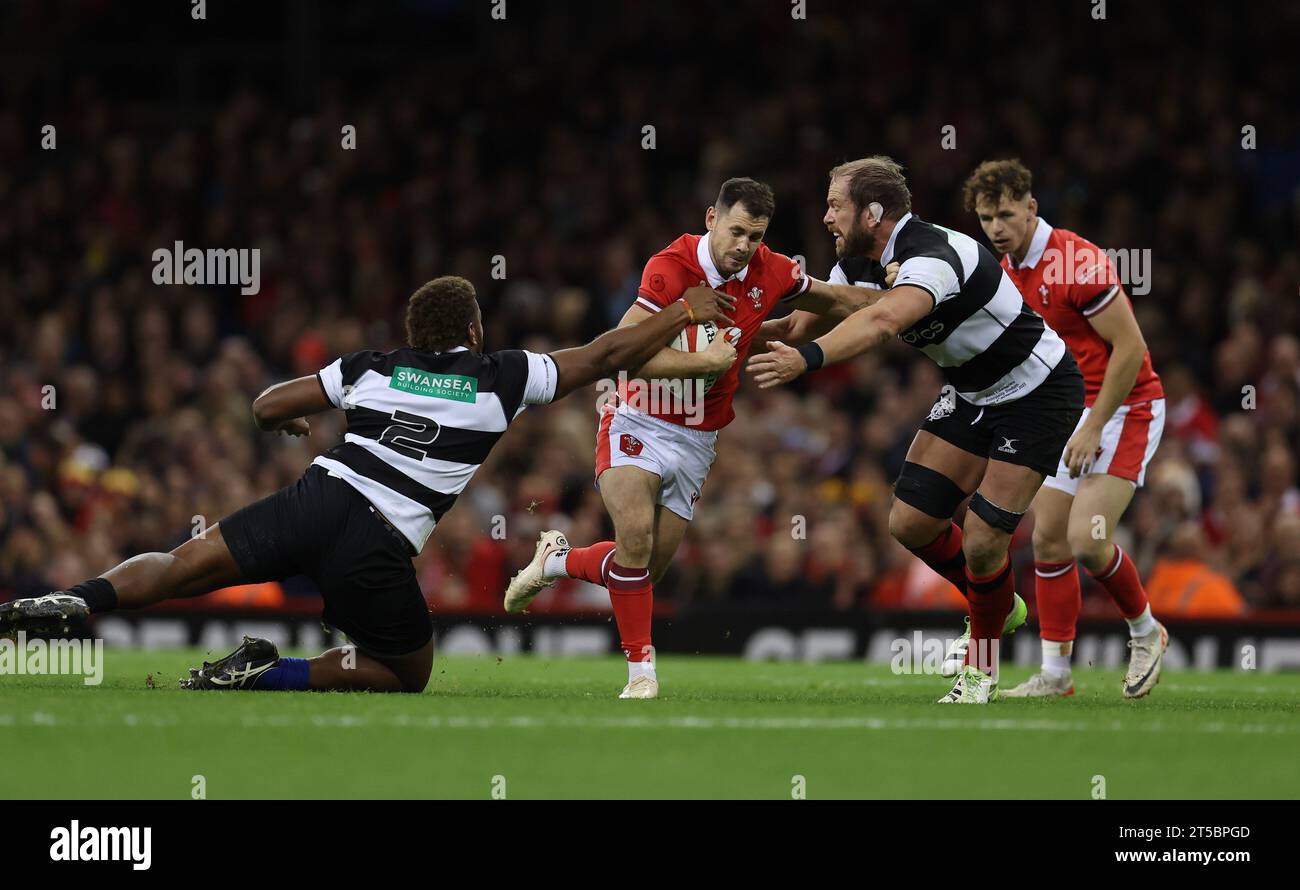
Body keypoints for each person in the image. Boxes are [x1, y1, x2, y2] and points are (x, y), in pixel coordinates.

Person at [0, 276, 734, 693]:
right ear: (472, 332)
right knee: (405, 669)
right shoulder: (502, 375)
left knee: (179, 568)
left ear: (416, 333)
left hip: (316, 499)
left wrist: (287, 426)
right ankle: (265, 673)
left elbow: (266, 405)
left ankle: (76, 599)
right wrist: (681, 312)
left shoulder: (369, 367)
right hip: (377, 541)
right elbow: (606, 352)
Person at [501, 177, 865, 699]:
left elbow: (832, 299)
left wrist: (904, 297)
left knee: (644, 570)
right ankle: (641, 674)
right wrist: (704, 363)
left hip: (697, 440)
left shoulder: (772, 270)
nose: (745, 246)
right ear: (711, 220)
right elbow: (626, 352)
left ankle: (556, 561)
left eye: (756, 236)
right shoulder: (670, 268)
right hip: (637, 420)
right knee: (634, 539)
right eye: (737, 231)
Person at [748, 156, 1084, 703]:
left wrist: (806, 360)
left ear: (873, 212)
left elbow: (880, 321)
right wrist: (724, 332)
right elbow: (805, 318)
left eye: (836, 205)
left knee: (981, 541)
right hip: (973, 394)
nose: (826, 218)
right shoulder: (857, 261)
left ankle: (982, 665)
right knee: (909, 522)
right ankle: (1001, 607)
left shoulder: (936, 255)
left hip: (1038, 393)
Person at [963, 159, 1168, 698]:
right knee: (1048, 539)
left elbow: (1132, 350)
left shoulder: (1078, 263)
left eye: (1006, 214)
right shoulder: (1003, 268)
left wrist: (1095, 425)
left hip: (1126, 407)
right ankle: (1055, 676)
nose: (996, 228)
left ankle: (1146, 631)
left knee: (1086, 538)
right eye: (986, 218)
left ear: (1032, 207)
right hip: (1069, 412)